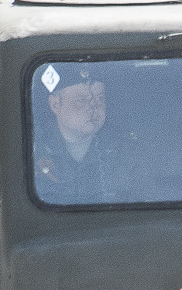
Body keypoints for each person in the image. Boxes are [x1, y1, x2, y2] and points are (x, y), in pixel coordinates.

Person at [32, 64, 129, 204]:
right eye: (81, 101)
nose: (93, 108)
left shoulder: (125, 150)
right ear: (55, 105)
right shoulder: (32, 151)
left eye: (100, 98)